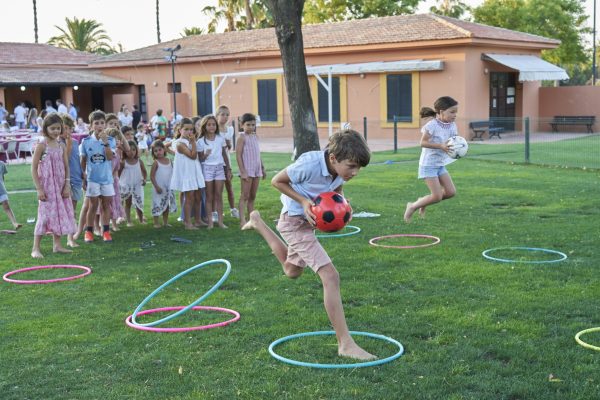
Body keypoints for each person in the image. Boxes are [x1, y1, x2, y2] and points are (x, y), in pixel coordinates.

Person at [241, 129, 375, 361]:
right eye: (351, 166)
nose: (355, 172)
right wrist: (303, 201)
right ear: (333, 158)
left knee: (291, 271)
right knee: (330, 276)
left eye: (358, 168)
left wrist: (342, 205)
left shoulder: (338, 168)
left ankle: (258, 223)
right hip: (294, 223)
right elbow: (277, 181)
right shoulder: (310, 164)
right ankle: (345, 343)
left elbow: (336, 184)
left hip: (308, 223)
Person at [404, 96, 458, 223]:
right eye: (452, 112)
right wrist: (440, 146)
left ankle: (425, 201)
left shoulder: (452, 125)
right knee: (437, 196)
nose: (455, 115)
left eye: (456, 112)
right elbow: (423, 143)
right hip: (428, 165)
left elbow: (454, 141)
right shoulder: (432, 125)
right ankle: (412, 206)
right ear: (440, 112)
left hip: (440, 164)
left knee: (450, 192)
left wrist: (459, 148)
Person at [31, 114, 75, 258]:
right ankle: (35, 248)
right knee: (44, 215)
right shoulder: (41, 145)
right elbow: (33, 168)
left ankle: (57, 245)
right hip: (47, 186)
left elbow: (66, 166)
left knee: (60, 213)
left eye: (58, 128)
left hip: (61, 184)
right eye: (52, 128)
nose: (56, 131)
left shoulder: (61, 145)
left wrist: (67, 184)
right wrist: (39, 188)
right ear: (46, 128)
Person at [80, 110, 116, 243]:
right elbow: (83, 161)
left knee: (106, 205)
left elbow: (109, 157)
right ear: (91, 126)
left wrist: (105, 142)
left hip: (106, 179)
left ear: (105, 125)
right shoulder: (86, 142)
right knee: (93, 206)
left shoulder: (111, 140)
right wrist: (83, 177)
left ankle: (106, 231)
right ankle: (88, 232)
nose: (99, 125)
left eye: (102, 123)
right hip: (92, 179)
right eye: (96, 123)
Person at [197, 114, 232, 229]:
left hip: (219, 169)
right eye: (209, 124)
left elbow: (224, 154)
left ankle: (221, 222)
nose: (211, 127)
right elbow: (200, 159)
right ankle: (210, 223)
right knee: (209, 196)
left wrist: (228, 169)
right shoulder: (200, 141)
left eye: (213, 124)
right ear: (204, 126)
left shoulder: (220, 139)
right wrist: (205, 155)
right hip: (207, 169)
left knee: (219, 196)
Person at [169, 117, 205, 229]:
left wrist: (193, 142)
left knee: (198, 197)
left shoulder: (189, 141)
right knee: (189, 198)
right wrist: (193, 142)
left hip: (195, 171)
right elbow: (193, 156)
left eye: (191, 129)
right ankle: (187, 222)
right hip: (187, 173)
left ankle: (198, 220)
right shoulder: (180, 144)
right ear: (180, 130)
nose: (189, 132)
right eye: (186, 129)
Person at [236, 113, 265, 228]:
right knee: (245, 195)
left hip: (256, 170)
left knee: (252, 196)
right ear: (242, 125)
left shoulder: (255, 137)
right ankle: (242, 220)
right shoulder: (241, 137)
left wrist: (262, 167)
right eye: (248, 125)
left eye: (253, 125)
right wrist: (243, 171)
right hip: (247, 170)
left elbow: (258, 154)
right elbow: (238, 155)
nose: (251, 127)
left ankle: (252, 220)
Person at [59, 113, 84, 248]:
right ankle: (65, 237)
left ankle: (70, 238)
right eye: (64, 128)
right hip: (64, 182)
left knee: (72, 210)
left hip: (76, 179)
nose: (66, 131)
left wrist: (82, 173)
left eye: (69, 128)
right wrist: (68, 145)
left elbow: (76, 160)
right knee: (65, 210)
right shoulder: (59, 144)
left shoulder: (74, 142)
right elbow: (65, 160)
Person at [216, 105, 238, 218]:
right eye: (223, 114)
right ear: (217, 115)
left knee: (229, 186)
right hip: (215, 162)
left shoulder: (229, 130)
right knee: (217, 189)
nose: (225, 117)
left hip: (226, 161)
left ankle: (233, 209)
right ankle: (217, 211)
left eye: (227, 115)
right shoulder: (213, 129)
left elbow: (228, 145)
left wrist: (228, 145)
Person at [149, 140, 177, 227]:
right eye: (155, 151)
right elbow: (152, 176)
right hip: (158, 188)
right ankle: (156, 222)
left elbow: (172, 173)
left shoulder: (169, 161)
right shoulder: (156, 163)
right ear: (153, 153)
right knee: (157, 203)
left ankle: (165, 222)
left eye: (160, 150)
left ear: (164, 150)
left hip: (168, 187)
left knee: (166, 204)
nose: (158, 152)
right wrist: (156, 187)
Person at [119, 140, 147, 226]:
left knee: (139, 203)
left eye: (134, 150)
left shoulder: (139, 162)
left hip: (137, 185)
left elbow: (144, 172)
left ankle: (141, 219)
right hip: (127, 186)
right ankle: (129, 221)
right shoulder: (123, 162)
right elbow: (118, 174)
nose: (131, 152)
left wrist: (144, 179)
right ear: (125, 151)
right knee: (128, 203)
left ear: (136, 150)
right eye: (129, 150)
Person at [0, 161, 22, 231]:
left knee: (6, 206)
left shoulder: (2, 164)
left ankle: (15, 223)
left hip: (1, 189)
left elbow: (2, 177)